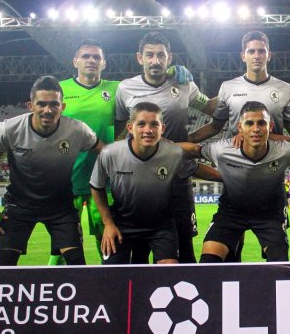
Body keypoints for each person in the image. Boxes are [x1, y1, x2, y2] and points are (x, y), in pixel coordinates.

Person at [189, 31, 290, 262]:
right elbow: (214, 127)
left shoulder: (284, 89)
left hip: (269, 175)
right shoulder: (228, 87)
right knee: (229, 253)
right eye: (251, 51)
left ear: (269, 55)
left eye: (261, 51)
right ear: (243, 55)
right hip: (236, 175)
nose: (257, 55)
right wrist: (183, 139)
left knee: (277, 260)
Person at [115, 31, 217, 263]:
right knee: (139, 254)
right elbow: (118, 132)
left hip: (177, 180)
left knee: (185, 250)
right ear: (139, 58)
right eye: (149, 55)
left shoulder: (183, 84)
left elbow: (212, 109)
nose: (155, 60)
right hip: (139, 183)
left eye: (161, 55)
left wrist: (235, 89)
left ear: (169, 58)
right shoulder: (125, 89)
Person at [0, 76, 102, 266]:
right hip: (19, 206)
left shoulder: (77, 130)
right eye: (41, 104)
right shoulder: (10, 128)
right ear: (30, 106)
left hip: (61, 207)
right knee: (4, 266)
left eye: (54, 104)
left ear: (62, 107)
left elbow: (105, 152)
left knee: (77, 264)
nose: (48, 110)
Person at [90, 102, 219, 264]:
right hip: (123, 225)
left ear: (162, 129)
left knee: (169, 271)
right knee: (112, 274)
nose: (148, 130)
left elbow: (198, 169)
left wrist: (231, 177)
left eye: (154, 124)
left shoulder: (172, 153)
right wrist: (108, 224)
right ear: (130, 128)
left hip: (161, 227)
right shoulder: (110, 153)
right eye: (141, 124)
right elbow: (96, 187)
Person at [198, 101, 290, 263]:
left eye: (261, 123)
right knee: (208, 264)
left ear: (270, 126)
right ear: (240, 128)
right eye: (249, 123)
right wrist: (165, 147)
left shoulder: (285, 151)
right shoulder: (222, 150)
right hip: (231, 213)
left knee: (280, 265)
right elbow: (191, 151)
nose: (256, 129)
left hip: (269, 215)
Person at [49, 39, 119, 266]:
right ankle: (56, 284)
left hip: (106, 177)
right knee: (62, 244)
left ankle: (111, 281)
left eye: (96, 57)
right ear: (75, 61)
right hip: (68, 177)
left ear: (104, 63)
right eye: (86, 56)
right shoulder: (59, 90)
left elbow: (145, 89)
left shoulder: (117, 89)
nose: (91, 60)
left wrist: (173, 72)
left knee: (108, 240)